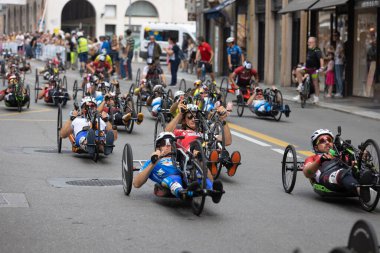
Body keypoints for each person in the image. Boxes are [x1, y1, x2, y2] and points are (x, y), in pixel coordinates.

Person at [133, 131, 224, 203]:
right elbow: (136, 183)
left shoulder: (183, 157)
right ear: (158, 147)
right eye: (164, 142)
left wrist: (200, 160)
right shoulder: (152, 161)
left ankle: (214, 192)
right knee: (173, 179)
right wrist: (154, 161)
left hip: (188, 176)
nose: (168, 144)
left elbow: (210, 178)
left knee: (199, 176)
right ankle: (182, 193)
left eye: (171, 142)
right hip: (170, 178)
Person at [165, 101, 241, 177]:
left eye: (196, 117)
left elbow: (227, 141)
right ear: (184, 121)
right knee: (198, 142)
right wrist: (180, 114)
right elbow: (167, 132)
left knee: (217, 143)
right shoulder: (180, 132)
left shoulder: (205, 133)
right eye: (190, 117)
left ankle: (229, 164)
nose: (193, 119)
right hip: (192, 153)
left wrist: (223, 121)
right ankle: (209, 163)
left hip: (207, 150)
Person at [302, 129, 372, 202]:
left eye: (329, 140)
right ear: (316, 147)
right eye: (322, 141)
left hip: (349, 173)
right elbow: (307, 173)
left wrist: (362, 156)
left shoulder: (341, 154)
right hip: (328, 176)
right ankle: (360, 190)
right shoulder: (312, 158)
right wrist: (320, 160)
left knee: (365, 172)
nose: (327, 142)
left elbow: (354, 163)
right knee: (342, 173)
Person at [294, 37, 324, 103]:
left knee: (315, 82)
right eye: (308, 42)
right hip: (307, 69)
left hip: (314, 70)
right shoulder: (310, 49)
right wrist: (304, 65)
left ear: (314, 43)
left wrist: (321, 67)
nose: (308, 43)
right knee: (298, 70)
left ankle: (317, 98)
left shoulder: (317, 50)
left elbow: (321, 59)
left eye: (310, 42)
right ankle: (300, 86)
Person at [333, 31, 345, 98]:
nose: (334, 37)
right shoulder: (338, 43)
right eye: (334, 35)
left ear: (338, 36)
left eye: (335, 35)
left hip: (339, 62)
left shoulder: (340, 43)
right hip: (337, 62)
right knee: (337, 78)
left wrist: (333, 51)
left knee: (339, 77)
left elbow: (341, 52)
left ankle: (340, 92)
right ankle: (338, 92)